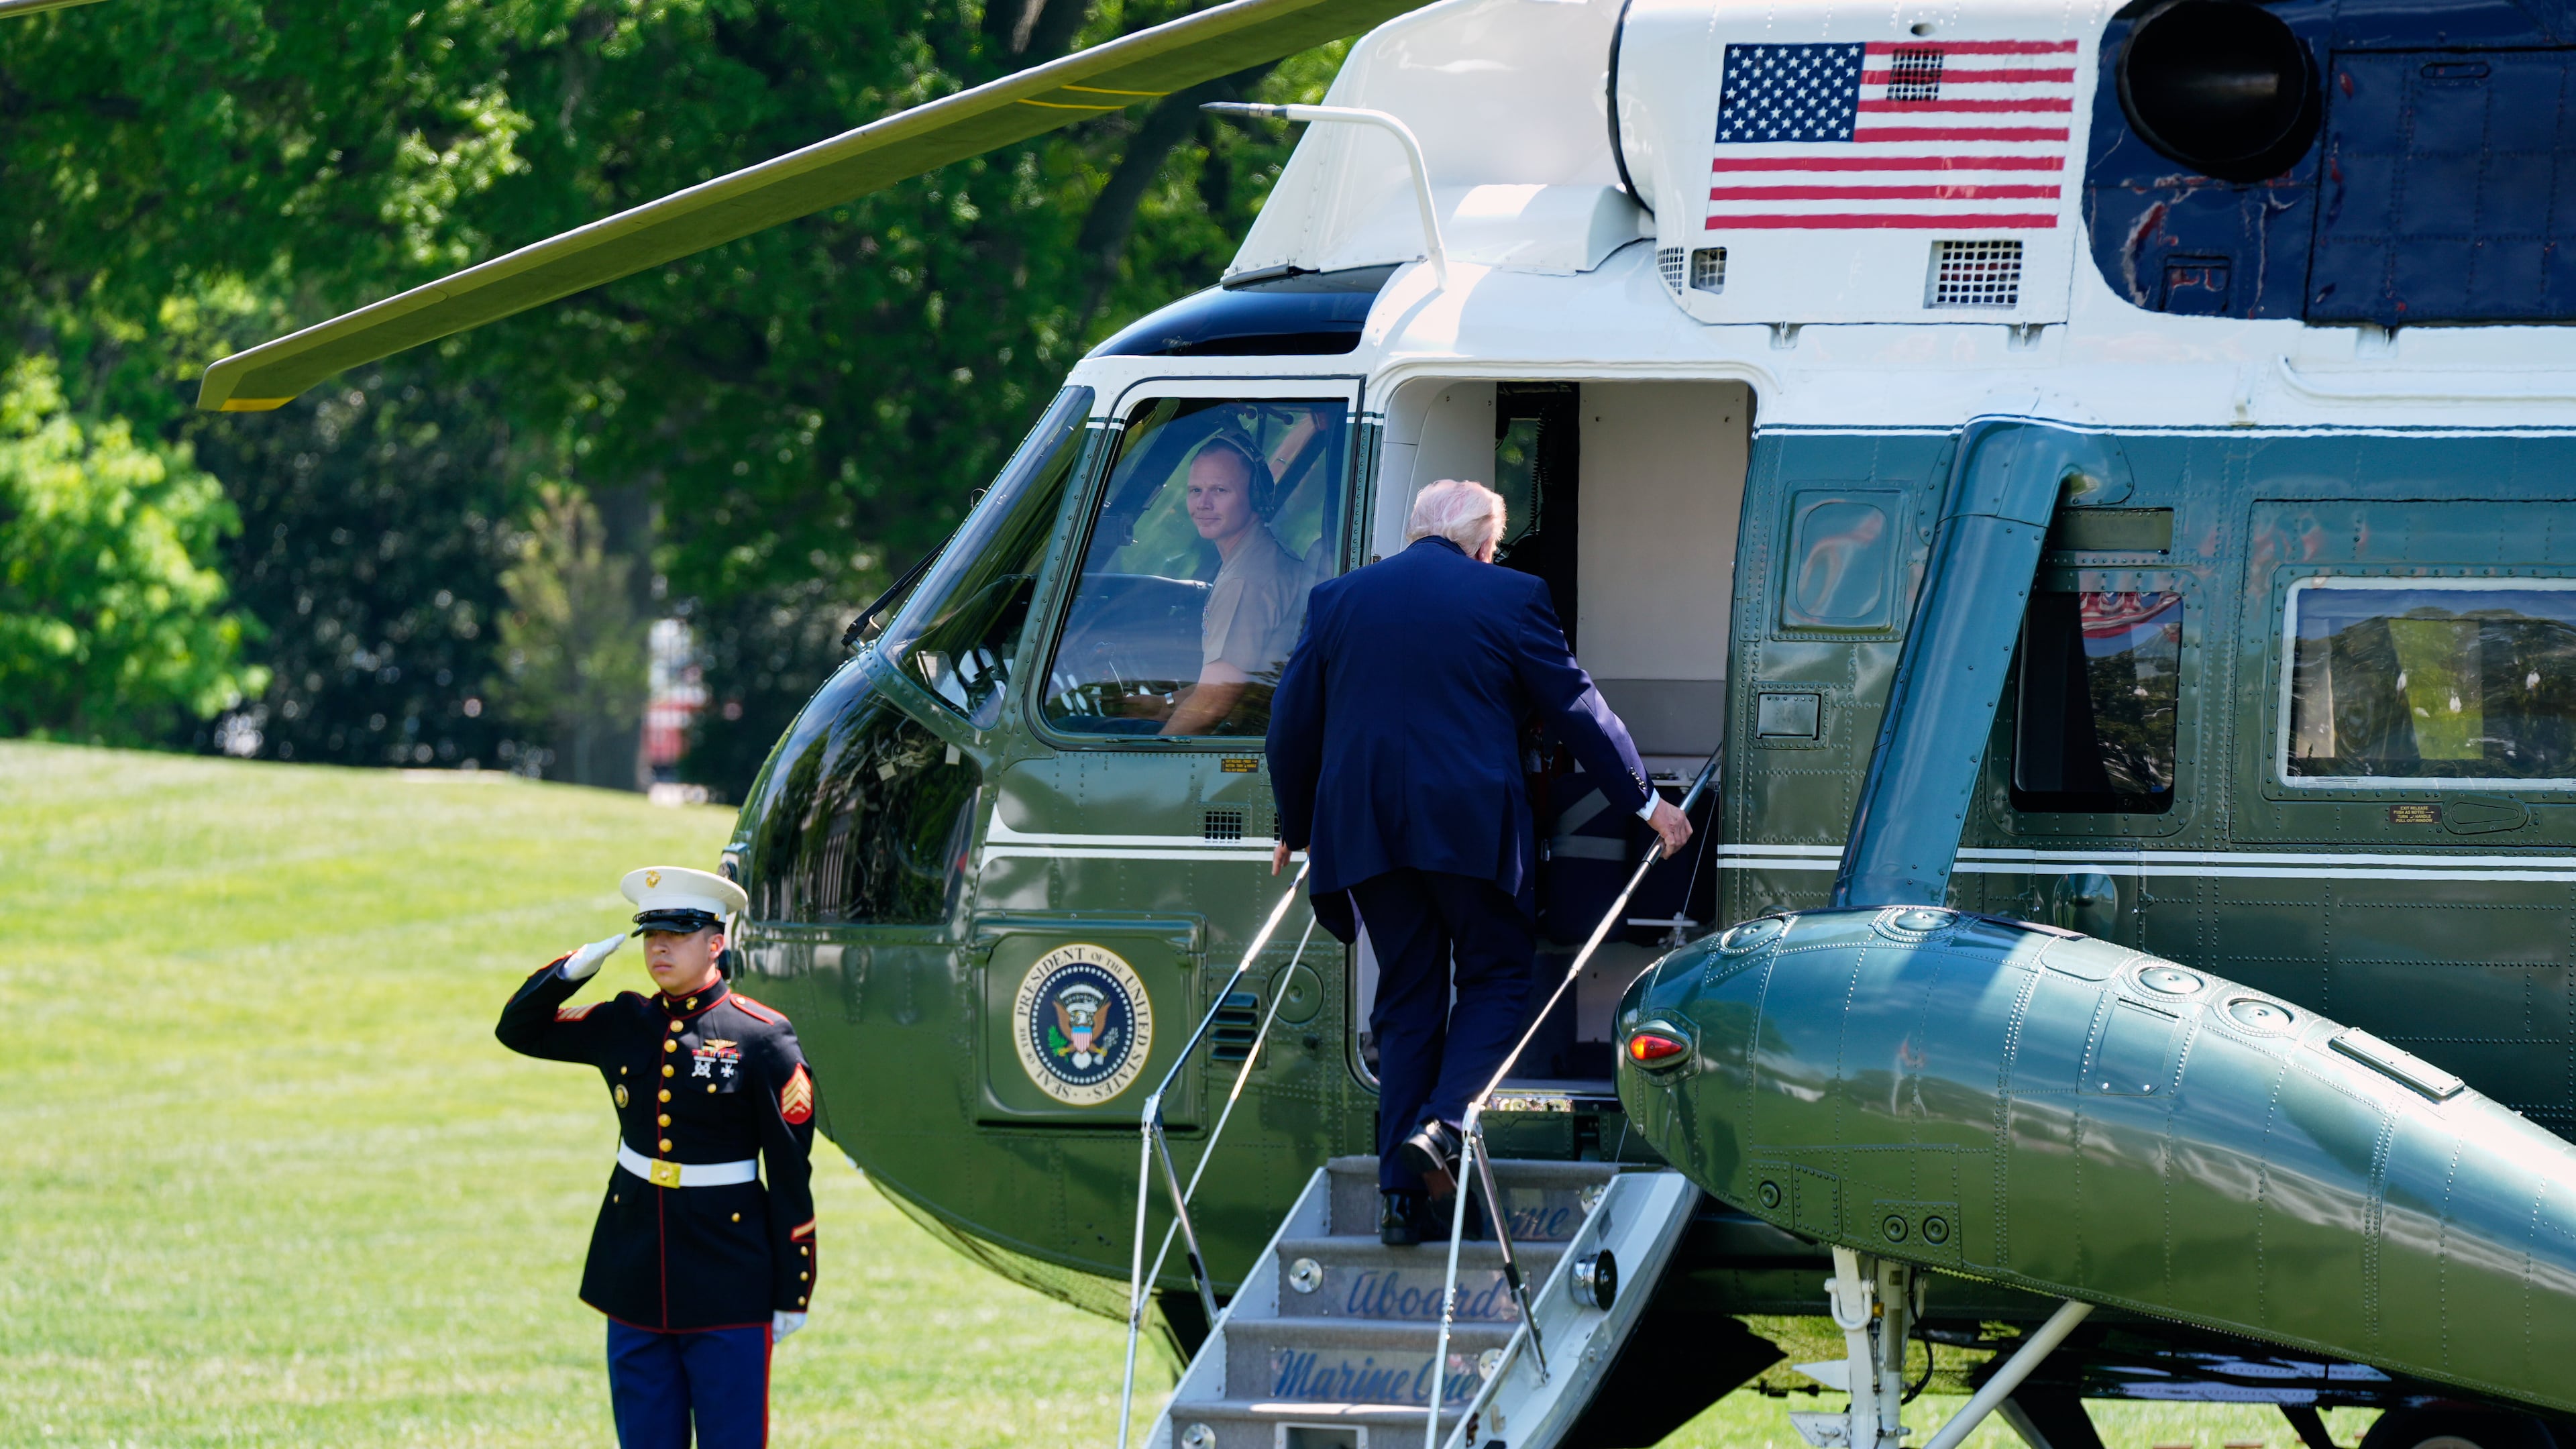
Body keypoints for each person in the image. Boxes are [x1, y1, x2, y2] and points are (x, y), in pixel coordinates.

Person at [1265, 478, 1692, 1245]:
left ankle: (1402, 1202)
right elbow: (1576, 706)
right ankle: (1445, 1122)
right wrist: (1646, 803)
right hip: (1468, 829)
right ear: (1483, 543)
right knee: (1498, 976)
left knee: (1406, 999)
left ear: (1415, 530)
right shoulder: (1510, 596)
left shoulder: (1338, 599)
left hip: (1366, 834)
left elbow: (1292, 725)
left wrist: (1295, 827)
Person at [496, 865, 818, 1448]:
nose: (659, 946)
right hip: (636, 1268)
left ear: (716, 942)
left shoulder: (761, 1038)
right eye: (650, 934)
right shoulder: (626, 1023)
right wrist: (574, 968)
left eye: (678, 933)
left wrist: (792, 1288)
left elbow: (792, 1172)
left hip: (729, 1275)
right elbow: (518, 1030)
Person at [1161, 432, 1307, 735]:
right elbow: (1223, 680)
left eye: (1220, 490)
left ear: (1254, 497)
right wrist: (1160, 704)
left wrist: (1142, 773)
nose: (1203, 503)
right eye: (1195, 490)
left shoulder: (1245, 579)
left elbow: (1214, 702)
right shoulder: (1261, 556)